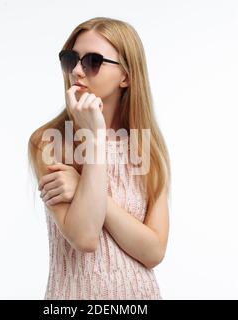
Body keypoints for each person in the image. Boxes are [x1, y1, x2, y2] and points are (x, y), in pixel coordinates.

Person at [28, 17, 171, 299]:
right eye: (71, 59)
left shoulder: (148, 148)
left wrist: (83, 185)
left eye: (93, 61)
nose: (77, 71)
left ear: (126, 76)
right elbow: (84, 237)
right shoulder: (48, 142)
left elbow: (153, 252)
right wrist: (94, 138)